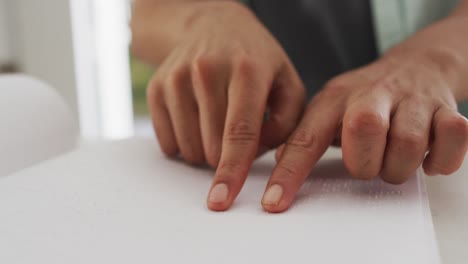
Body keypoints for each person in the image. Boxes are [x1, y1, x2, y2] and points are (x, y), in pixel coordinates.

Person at [131, 0, 468, 213]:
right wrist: (205, 17)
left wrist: (436, 60)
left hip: (443, 170)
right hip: (238, 161)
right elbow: (146, 13)